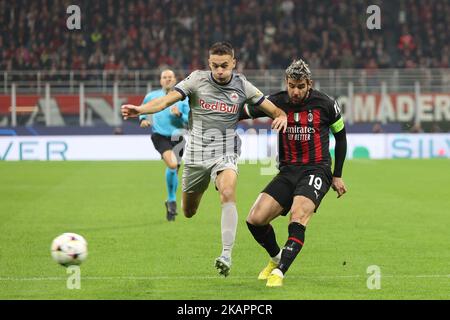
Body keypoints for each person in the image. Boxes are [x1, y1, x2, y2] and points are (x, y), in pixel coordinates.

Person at [121, 42, 288, 277]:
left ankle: (226, 255)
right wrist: (141, 110)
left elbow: (276, 110)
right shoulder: (196, 80)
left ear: (233, 63)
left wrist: (281, 117)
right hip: (195, 156)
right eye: (215, 66)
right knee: (189, 211)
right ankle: (184, 198)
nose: (220, 71)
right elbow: (166, 101)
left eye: (225, 66)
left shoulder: (243, 85)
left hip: (225, 152)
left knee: (228, 191)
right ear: (209, 64)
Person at [240, 59, 348, 287]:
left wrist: (337, 174)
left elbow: (341, 137)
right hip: (288, 171)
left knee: (298, 216)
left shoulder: (326, 104)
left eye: (300, 86)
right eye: (291, 86)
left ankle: (280, 272)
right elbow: (244, 112)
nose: (295, 92)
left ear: (309, 83)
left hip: (316, 170)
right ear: (286, 83)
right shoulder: (276, 102)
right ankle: (276, 258)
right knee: (254, 219)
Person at [139, 69, 190, 222]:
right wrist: (143, 119)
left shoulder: (182, 99)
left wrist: (180, 115)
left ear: (175, 80)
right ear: (161, 81)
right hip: (159, 136)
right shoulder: (152, 96)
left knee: (173, 170)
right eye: (164, 77)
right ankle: (172, 199)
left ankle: (170, 202)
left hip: (178, 138)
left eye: (170, 77)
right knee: (173, 165)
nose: (167, 79)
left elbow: (190, 119)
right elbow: (143, 110)